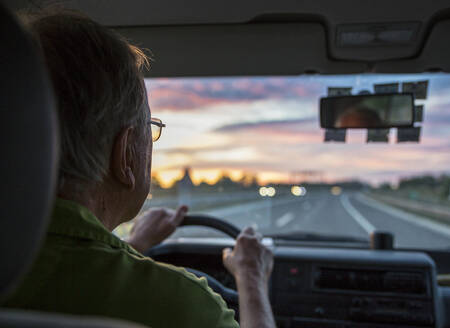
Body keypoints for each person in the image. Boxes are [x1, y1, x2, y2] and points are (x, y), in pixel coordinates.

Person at [3, 9, 275, 328]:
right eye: (149, 126)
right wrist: (252, 280)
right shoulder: (182, 306)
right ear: (125, 153)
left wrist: (133, 247)